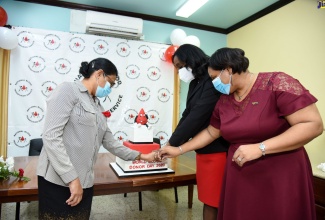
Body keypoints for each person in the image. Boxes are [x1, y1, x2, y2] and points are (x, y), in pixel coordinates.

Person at [160, 47, 323, 220]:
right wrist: (179, 149)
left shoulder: (276, 83)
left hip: (280, 172)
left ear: (228, 70)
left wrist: (261, 148)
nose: (214, 83)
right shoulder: (225, 100)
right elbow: (211, 132)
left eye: (215, 78)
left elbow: (313, 124)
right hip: (241, 173)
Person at [37, 58, 157, 219]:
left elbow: (110, 141)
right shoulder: (68, 90)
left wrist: (141, 156)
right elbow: (51, 136)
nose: (110, 89)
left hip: (84, 181)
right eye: (111, 83)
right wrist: (72, 179)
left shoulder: (97, 105)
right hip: (59, 179)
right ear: (99, 74)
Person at [166, 44, 229, 220]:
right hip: (202, 149)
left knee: (214, 200)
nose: (179, 71)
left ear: (191, 59)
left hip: (217, 148)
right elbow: (187, 114)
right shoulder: (196, 82)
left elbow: (198, 115)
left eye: (180, 66)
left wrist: (174, 145)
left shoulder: (212, 81)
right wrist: (171, 142)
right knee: (207, 198)